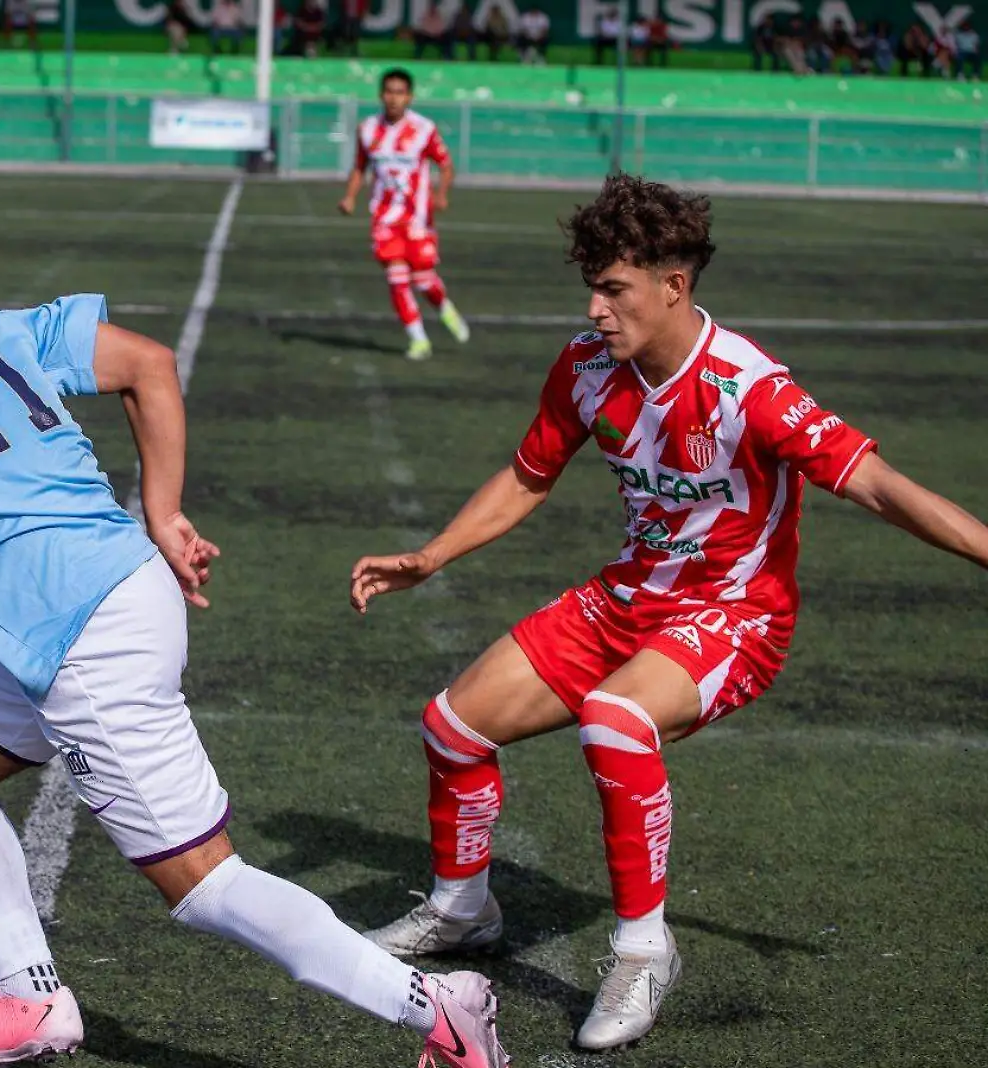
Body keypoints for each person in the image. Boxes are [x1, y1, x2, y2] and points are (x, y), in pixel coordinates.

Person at [0, 208, 513, 1068]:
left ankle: (441, 1007)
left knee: (207, 884)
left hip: (81, 640)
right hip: (116, 591)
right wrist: (166, 512)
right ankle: (31, 997)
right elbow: (148, 363)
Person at [352, 173, 988, 1050]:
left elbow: (875, 484)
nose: (597, 307)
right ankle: (465, 911)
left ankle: (643, 953)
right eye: (593, 286)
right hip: (630, 597)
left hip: (735, 616)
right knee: (454, 726)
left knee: (614, 722)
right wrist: (431, 556)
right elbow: (528, 476)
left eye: (614, 289)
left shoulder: (747, 387)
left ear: (673, 286)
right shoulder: (585, 367)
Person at [337, 69, 469, 362]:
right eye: (388, 91)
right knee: (397, 278)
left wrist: (441, 193)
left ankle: (444, 307)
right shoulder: (368, 128)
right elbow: (360, 167)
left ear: (409, 96)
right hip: (384, 218)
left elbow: (446, 165)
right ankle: (418, 339)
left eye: (400, 92)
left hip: (418, 218)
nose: (393, 98)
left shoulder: (424, 128)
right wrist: (349, 197)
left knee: (423, 280)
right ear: (381, 95)